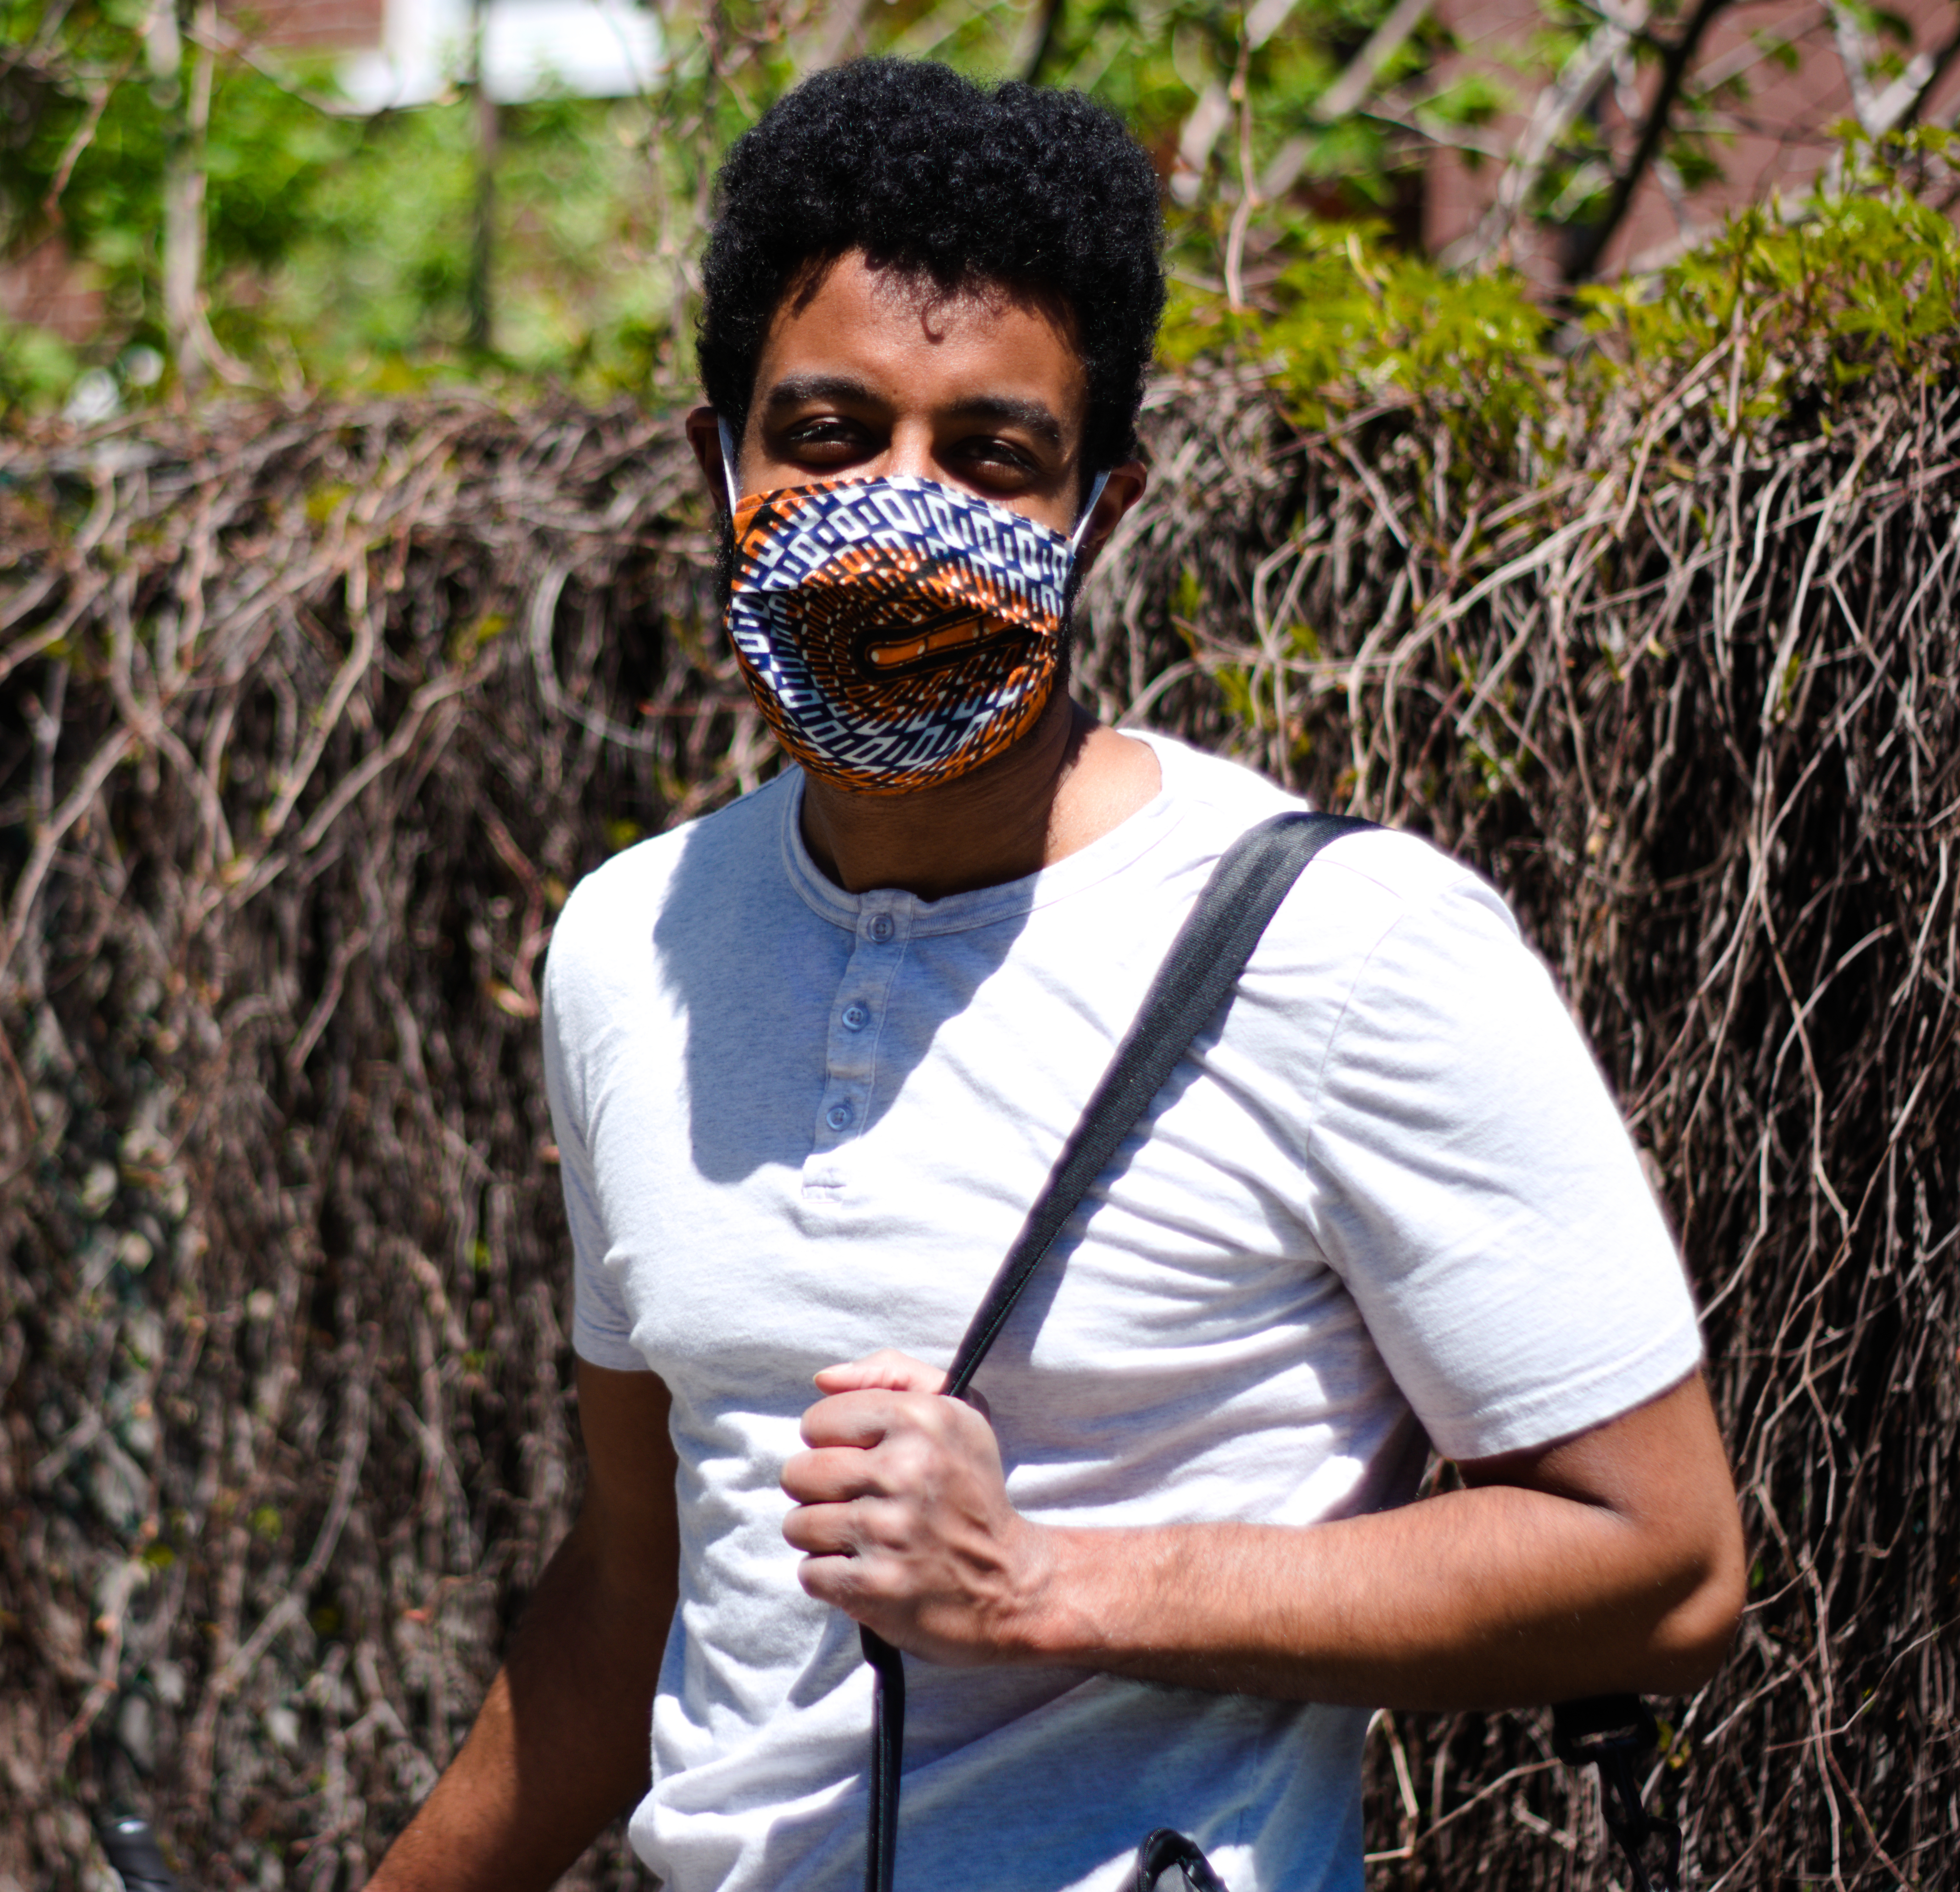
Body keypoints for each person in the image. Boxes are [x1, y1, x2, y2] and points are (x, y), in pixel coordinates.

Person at [366, 58, 1742, 1892]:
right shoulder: (629, 948)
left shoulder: (1343, 952)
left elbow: (1659, 1562)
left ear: (1096, 508)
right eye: (828, 433)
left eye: (991, 454)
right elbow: (635, 1595)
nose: (895, 507)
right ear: (723, 463)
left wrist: (1042, 1586)